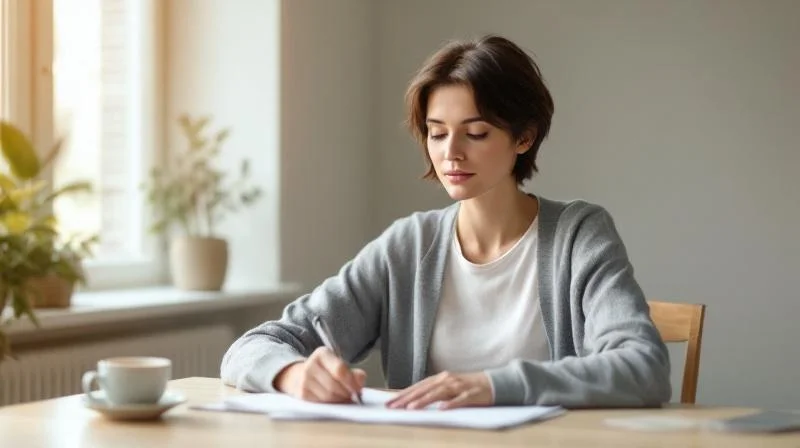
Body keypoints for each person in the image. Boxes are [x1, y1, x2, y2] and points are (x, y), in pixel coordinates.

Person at [220, 34, 671, 409]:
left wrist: (493, 387)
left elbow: (643, 368)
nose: (450, 152)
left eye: (475, 133)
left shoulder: (579, 235)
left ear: (525, 136)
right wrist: (293, 374)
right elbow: (251, 347)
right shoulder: (408, 246)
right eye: (437, 133)